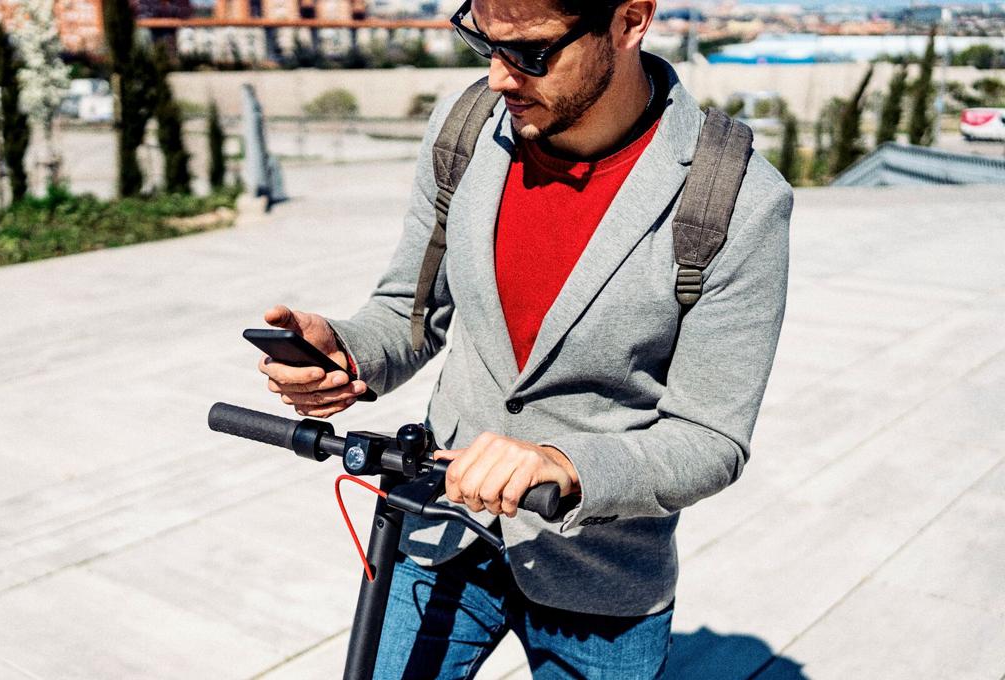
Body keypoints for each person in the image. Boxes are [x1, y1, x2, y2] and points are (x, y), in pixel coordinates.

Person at [256, 0, 793, 677]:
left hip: (602, 578)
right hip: (437, 532)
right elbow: (410, 313)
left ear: (630, 21)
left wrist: (563, 464)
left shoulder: (736, 197)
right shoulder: (466, 128)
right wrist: (347, 349)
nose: (499, 76)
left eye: (530, 52)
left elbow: (710, 439)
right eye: (484, 41)